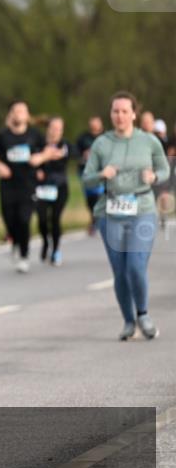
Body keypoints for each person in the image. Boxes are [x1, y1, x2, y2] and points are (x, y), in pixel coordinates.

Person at [82, 91, 169, 340]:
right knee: (120, 271)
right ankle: (129, 322)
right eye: (115, 111)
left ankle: (143, 314)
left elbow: (164, 169)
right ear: (110, 114)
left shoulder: (149, 141)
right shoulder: (101, 144)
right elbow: (86, 178)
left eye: (124, 111)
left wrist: (154, 177)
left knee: (135, 266)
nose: (119, 116)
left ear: (133, 114)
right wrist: (101, 174)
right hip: (110, 212)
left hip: (141, 208)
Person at [0, 100, 62, 273]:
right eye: (16, 111)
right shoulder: (3, 136)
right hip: (7, 184)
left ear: (27, 116)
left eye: (22, 111)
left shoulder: (34, 135)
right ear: (11, 115)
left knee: (24, 219)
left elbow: (49, 150)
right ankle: (14, 240)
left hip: (28, 184)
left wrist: (40, 158)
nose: (19, 114)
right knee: (9, 219)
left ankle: (24, 255)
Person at [35, 116, 71, 266]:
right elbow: (32, 159)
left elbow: (75, 153)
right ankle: (45, 241)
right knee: (42, 220)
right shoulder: (39, 144)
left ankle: (56, 250)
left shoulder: (65, 145)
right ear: (48, 129)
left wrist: (61, 153)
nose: (56, 132)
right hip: (42, 187)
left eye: (59, 129)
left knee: (55, 219)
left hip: (60, 187)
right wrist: (37, 170)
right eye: (53, 128)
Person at [76, 116, 105, 235]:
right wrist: (83, 155)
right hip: (86, 171)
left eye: (97, 123)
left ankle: (97, 221)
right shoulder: (83, 138)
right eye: (92, 123)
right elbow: (74, 152)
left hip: (102, 172)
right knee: (90, 200)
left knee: (100, 196)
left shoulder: (107, 137)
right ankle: (94, 218)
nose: (94, 125)